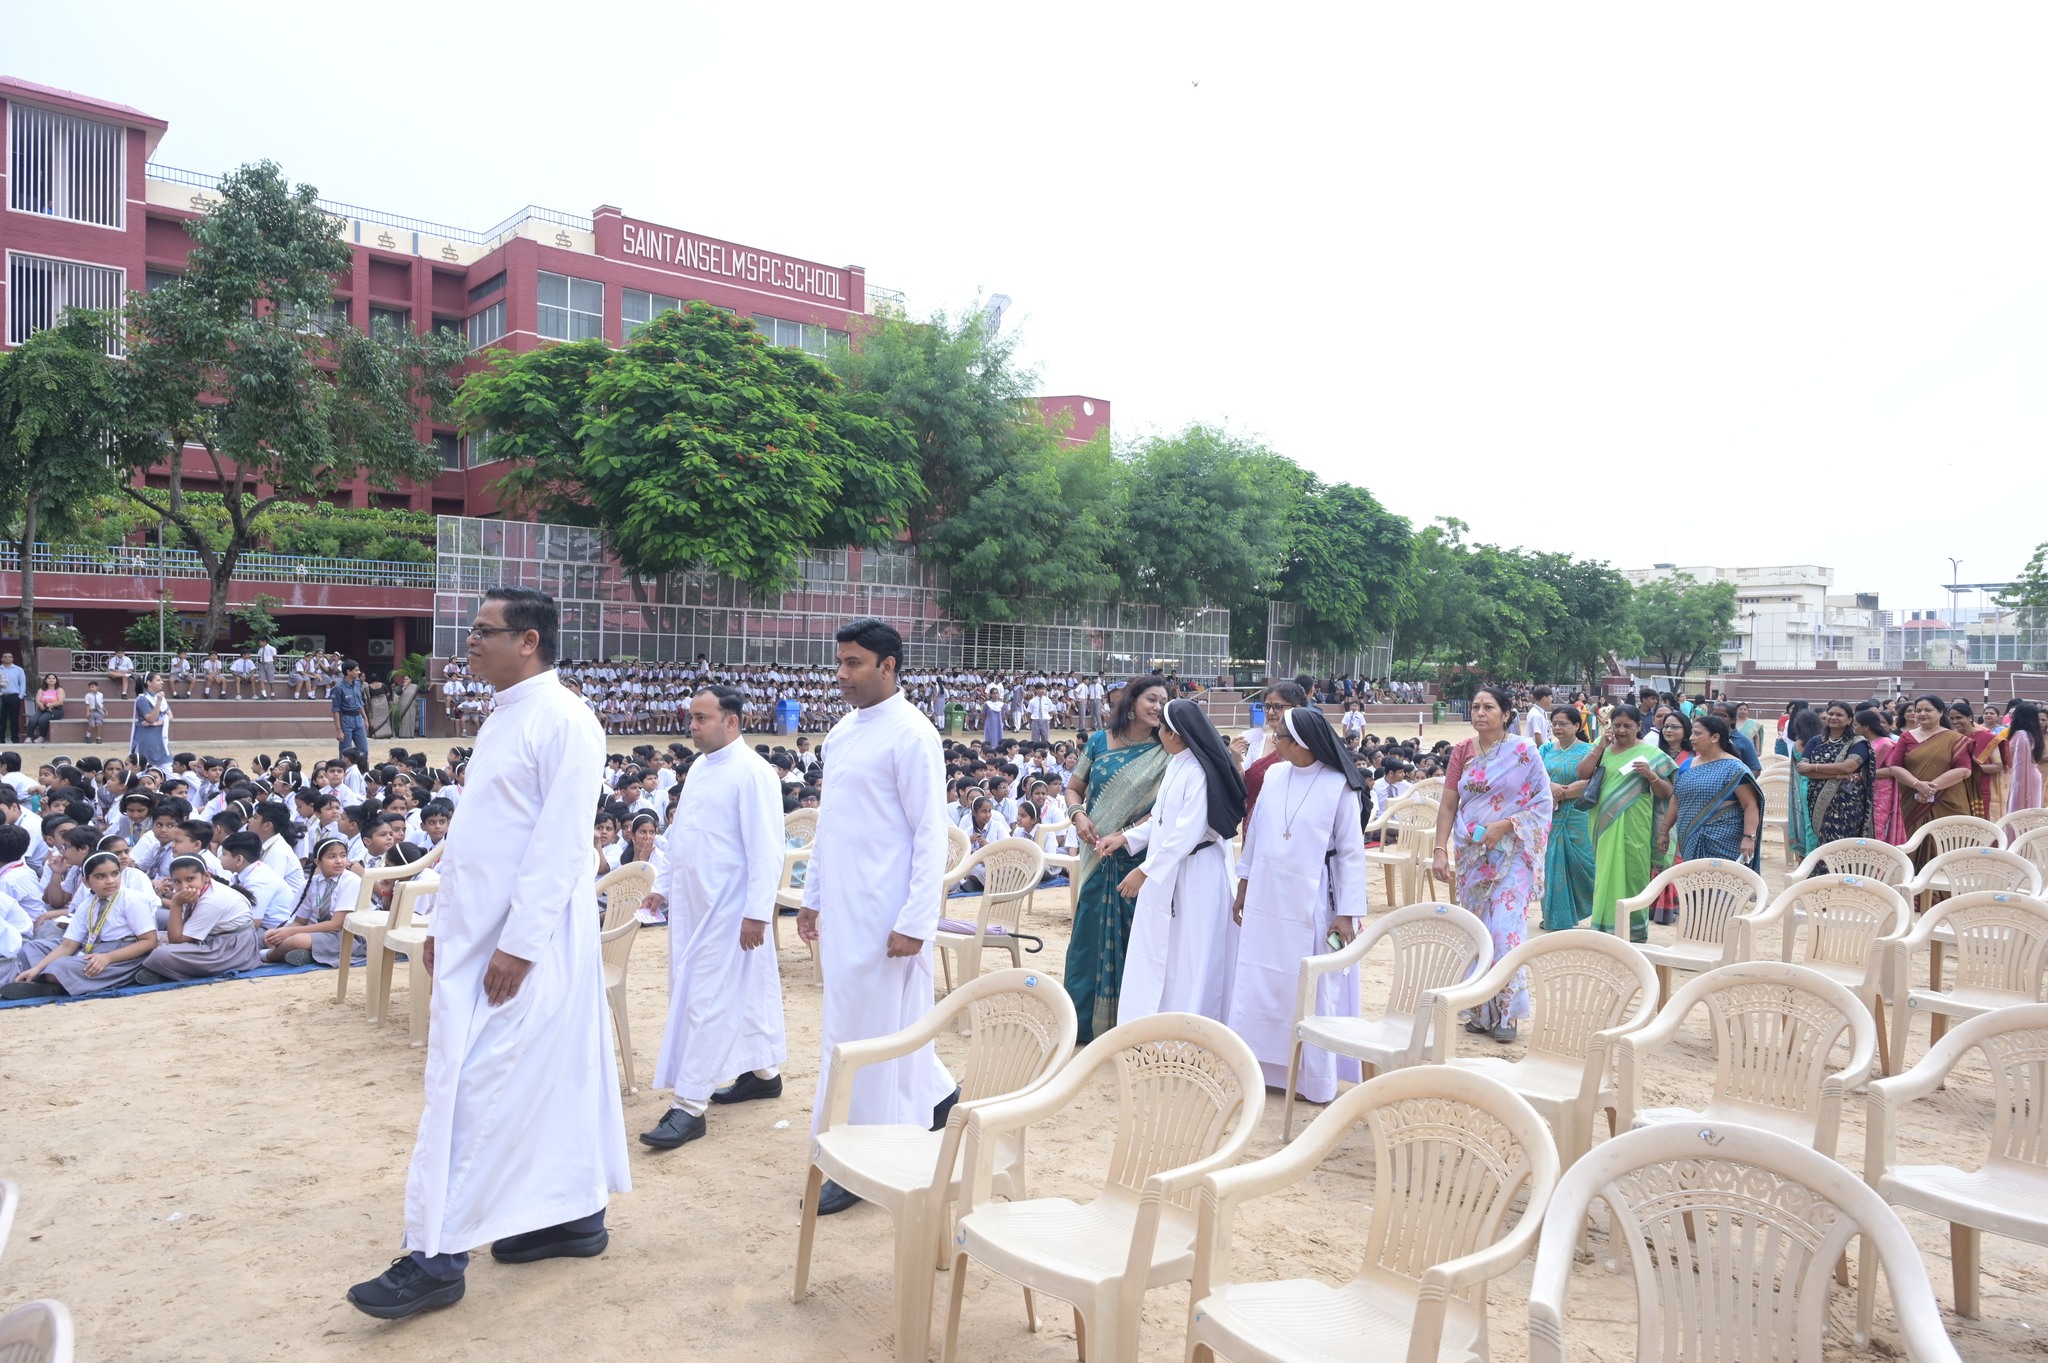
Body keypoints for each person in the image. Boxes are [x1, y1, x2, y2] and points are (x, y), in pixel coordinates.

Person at [348, 587, 628, 1320]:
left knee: (473, 1089)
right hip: (481, 934)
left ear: (528, 640)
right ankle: (574, 1216)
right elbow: (476, 839)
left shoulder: (566, 719)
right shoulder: (506, 714)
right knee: (541, 1078)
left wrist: (519, 946)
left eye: (483, 630)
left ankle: (436, 1257)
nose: (469, 641)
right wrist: (444, 922)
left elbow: (561, 845)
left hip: (526, 944)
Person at [795, 618, 956, 1218]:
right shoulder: (842, 732)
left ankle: (864, 1157)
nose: (841, 674)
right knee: (854, 1028)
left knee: (873, 1033)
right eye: (840, 662)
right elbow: (830, 825)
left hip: (888, 913)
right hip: (844, 909)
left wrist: (916, 920)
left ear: (888, 666)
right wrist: (812, 895)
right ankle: (936, 1098)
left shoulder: (913, 734)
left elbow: (929, 833)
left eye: (854, 663)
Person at [641, 684, 788, 1152]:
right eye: (691, 717)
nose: (693, 727)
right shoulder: (702, 768)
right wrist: (663, 886)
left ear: (732, 721)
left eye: (701, 718)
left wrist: (756, 913)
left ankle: (689, 1105)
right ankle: (763, 1075)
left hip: (730, 910)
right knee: (733, 994)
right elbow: (683, 836)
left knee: (707, 1002)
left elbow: (767, 849)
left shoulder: (754, 773)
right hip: (693, 906)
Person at [1227, 706, 1366, 1100]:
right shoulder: (1274, 775)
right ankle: (1260, 1067)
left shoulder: (1339, 786)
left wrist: (1346, 913)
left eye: (1282, 737)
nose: (1275, 742)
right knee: (1260, 980)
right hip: (1266, 897)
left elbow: (1352, 854)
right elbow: (1254, 837)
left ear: (1302, 742)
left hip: (1314, 899)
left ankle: (1310, 1079)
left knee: (1308, 986)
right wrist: (1243, 887)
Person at [1103, 698, 1245, 1026]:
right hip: (1169, 869)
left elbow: (1186, 833)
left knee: (1191, 957)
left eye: (1161, 729)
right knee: (1162, 954)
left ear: (1176, 734)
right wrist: (1125, 838)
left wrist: (1143, 871)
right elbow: (1162, 820)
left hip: (1197, 874)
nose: (1158, 734)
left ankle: (1191, 1029)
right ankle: (1157, 1026)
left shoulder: (1199, 773)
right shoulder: (1177, 764)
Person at [1431, 685, 1553, 1042]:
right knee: (1478, 930)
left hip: (1512, 852)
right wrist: (1439, 849)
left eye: (1488, 707)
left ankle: (1508, 1013)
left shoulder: (1524, 751)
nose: (1480, 713)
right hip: (1472, 853)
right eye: (1475, 707)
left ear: (1506, 714)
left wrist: (1507, 825)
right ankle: (1480, 1010)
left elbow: (1543, 802)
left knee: (1503, 930)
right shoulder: (1461, 752)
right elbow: (1449, 805)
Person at [1062, 675, 1172, 1041]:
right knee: (1087, 935)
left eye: (1163, 701)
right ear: (1132, 701)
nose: (1157, 707)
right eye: (1151, 699)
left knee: (1132, 937)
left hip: (1133, 858)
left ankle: (1125, 1026)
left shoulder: (1166, 749)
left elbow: (1163, 810)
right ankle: (1080, 1023)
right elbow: (1074, 788)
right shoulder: (1099, 741)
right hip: (1094, 852)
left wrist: (1125, 835)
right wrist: (1078, 815)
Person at [1577, 704, 1676, 942]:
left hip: (1636, 823)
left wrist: (1651, 775)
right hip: (1603, 823)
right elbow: (1582, 774)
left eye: (1627, 726)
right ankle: (1604, 930)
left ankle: (1633, 931)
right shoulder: (1602, 747)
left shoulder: (1651, 753)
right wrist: (1599, 747)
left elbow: (1667, 792)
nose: (1621, 730)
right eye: (1617, 725)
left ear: (1639, 726)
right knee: (1605, 874)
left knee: (1634, 873)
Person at [4, 850, 160, 998]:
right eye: (100, 876)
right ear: (86, 881)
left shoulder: (132, 899)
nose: (110, 881)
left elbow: (149, 941)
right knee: (31, 948)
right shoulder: (88, 904)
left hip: (122, 954)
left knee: (60, 967)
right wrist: (37, 968)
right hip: (91, 947)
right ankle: (46, 979)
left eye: (115, 874)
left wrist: (108, 958)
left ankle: (50, 982)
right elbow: (68, 945)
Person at [1877, 695, 1975, 872]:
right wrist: (1917, 785)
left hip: (1948, 800)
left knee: (1948, 844)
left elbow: (1964, 770)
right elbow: (1894, 767)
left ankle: (1948, 886)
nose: (1922, 713)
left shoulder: (1954, 738)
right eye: (1918, 710)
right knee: (1913, 842)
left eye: (1928, 710)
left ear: (1940, 712)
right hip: (1913, 800)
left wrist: (1930, 789)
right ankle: (1913, 884)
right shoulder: (1906, 737)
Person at [1664, 716, 1765, 871]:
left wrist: (1748, 838)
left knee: (1722, 883)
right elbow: (1676, 799)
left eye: (1697, 734)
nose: (1691, 738)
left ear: (1715, 737)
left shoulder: (1734, 768)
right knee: (1694, 882)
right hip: (1689, 838)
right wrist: (1664, 831)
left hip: (1723, 841)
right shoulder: (1687, 765)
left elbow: (1750, 805)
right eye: (1692, 733)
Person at [141, 854, 261, 982]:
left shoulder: (212, 899)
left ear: (206, 876)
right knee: (154, 936)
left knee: (161, 954)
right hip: (211, 939)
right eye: (177, 881)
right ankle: (161, 969)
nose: (184, 886)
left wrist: (176, 904)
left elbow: (176, 940)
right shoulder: (197, 890)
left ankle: (162, 971)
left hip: (230, 949)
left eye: (190, 879)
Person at [1537, 705, 1596, 931]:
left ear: (1577, 726)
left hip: (1577, 814)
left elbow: (1594, 780)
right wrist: (1550, 787)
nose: (1557, 728)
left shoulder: (1589, 750)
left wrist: (1566, 791)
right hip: (1550, 814)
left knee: (1583, 863)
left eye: (1563, 724)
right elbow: (1535, 775)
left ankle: (1594, 907)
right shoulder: (1545, 749)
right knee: (1551, 864)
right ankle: (1555, 917)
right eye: (1554, 724)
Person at [262, 837, 361, 966]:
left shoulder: (351, 881)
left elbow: (336, 925)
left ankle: (266, 956)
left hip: (345, 935)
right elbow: (300, 921)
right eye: (332, 857)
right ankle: (310, 954)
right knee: (269, 935)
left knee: (296, 940)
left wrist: (290, 932)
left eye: (343, 856)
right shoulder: (311, 883)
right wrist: (281, 933)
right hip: (321, 933)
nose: (339, 861)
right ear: (318, 862)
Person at [1796, 701, 1874, 845]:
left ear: (1849, 719)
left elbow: (1848, 767)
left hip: (1847, 800)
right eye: (1830, 714)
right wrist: (1837, 775)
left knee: (1844, 841)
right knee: (1822, 840)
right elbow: (1802, 769)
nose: (1833, 717)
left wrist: (1814, 767)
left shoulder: (1857, 742)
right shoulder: (1815, 741)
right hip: (1817, 797)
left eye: (1839, 715)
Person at [1949, 701, 2003, 821]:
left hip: (1979, 787)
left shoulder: (1988, 738)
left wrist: (1968, 769)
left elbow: (1998, 766)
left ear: (1970, 717)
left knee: (1978, 824)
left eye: (1959, 717)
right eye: (1952, 718)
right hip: (1954, 787)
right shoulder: (1950, 737)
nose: (1955, 721)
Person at [2006, 701, 2045, 814]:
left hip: (2022, 777)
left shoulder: (2021, 735)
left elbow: (2020, 764)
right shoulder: (2034, 734)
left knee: (2020, 811)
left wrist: (2018, 785)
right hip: (2032, 775)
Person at [131, 674, 172, 775]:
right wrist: (158, 702)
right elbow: (150, 718)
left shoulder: (160, 697)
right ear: (149, 683)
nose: (162, 682)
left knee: (167, 769)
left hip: (160, 737)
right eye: (158, 680)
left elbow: (170, 716)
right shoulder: (142, 699)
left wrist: (158, 723)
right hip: (147, 739)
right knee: (144, 769)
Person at [332, 662, 368, 761]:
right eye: (356, 670)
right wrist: (339, 731)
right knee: (345, 751)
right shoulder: (339, 688)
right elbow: (335, 710)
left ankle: (362, 769)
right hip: (346, 719)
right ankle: (343, 769)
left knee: (364, 750)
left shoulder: (357, 684)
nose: (359, 672)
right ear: (348, 672)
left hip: (358, 718)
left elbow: (360, 703)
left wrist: (365, 718)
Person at [25, 675, 64, 744]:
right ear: (46, 680)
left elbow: (60, 701)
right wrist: (43, 706)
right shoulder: (41, 690)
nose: (51, 680)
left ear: (56, 680)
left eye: (53, 678)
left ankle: (42, 737)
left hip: (56, 709)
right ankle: (29, 737)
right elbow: (38, 700)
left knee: (42, 719)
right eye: (49, 678)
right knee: (33, 720)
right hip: (42, 708)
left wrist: (49, 705)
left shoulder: (60, 690)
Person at [0, 652, 29, 744]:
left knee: (14, 719)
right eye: (5, 657)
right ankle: (1, 739)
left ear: (12, 659)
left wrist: (20, 696)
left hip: (14, 697)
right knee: (1, 719)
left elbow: (22, 683)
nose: (7, 658)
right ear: (1, 659)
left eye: (9, 657)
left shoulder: (18, 670)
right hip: (1, 697)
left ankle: (15, 739)